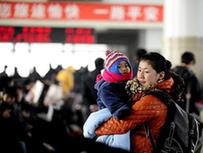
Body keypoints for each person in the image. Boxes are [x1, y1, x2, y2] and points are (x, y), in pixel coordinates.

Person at [85, 52, 184, 153]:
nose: (140, 76)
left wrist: (94, 129)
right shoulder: (142, 89)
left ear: (161, 75)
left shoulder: (152, 100)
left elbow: (121, 124)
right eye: (139, 70)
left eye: (146, 72)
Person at [83, 49, 133, 151]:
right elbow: (113, 103)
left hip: (119, 110)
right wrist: (121, 110)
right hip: (113, 110)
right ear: (111, 68)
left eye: (126, 65)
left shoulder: (128, 81)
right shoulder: (107, 85)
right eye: (119, 67)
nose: (124, 68)